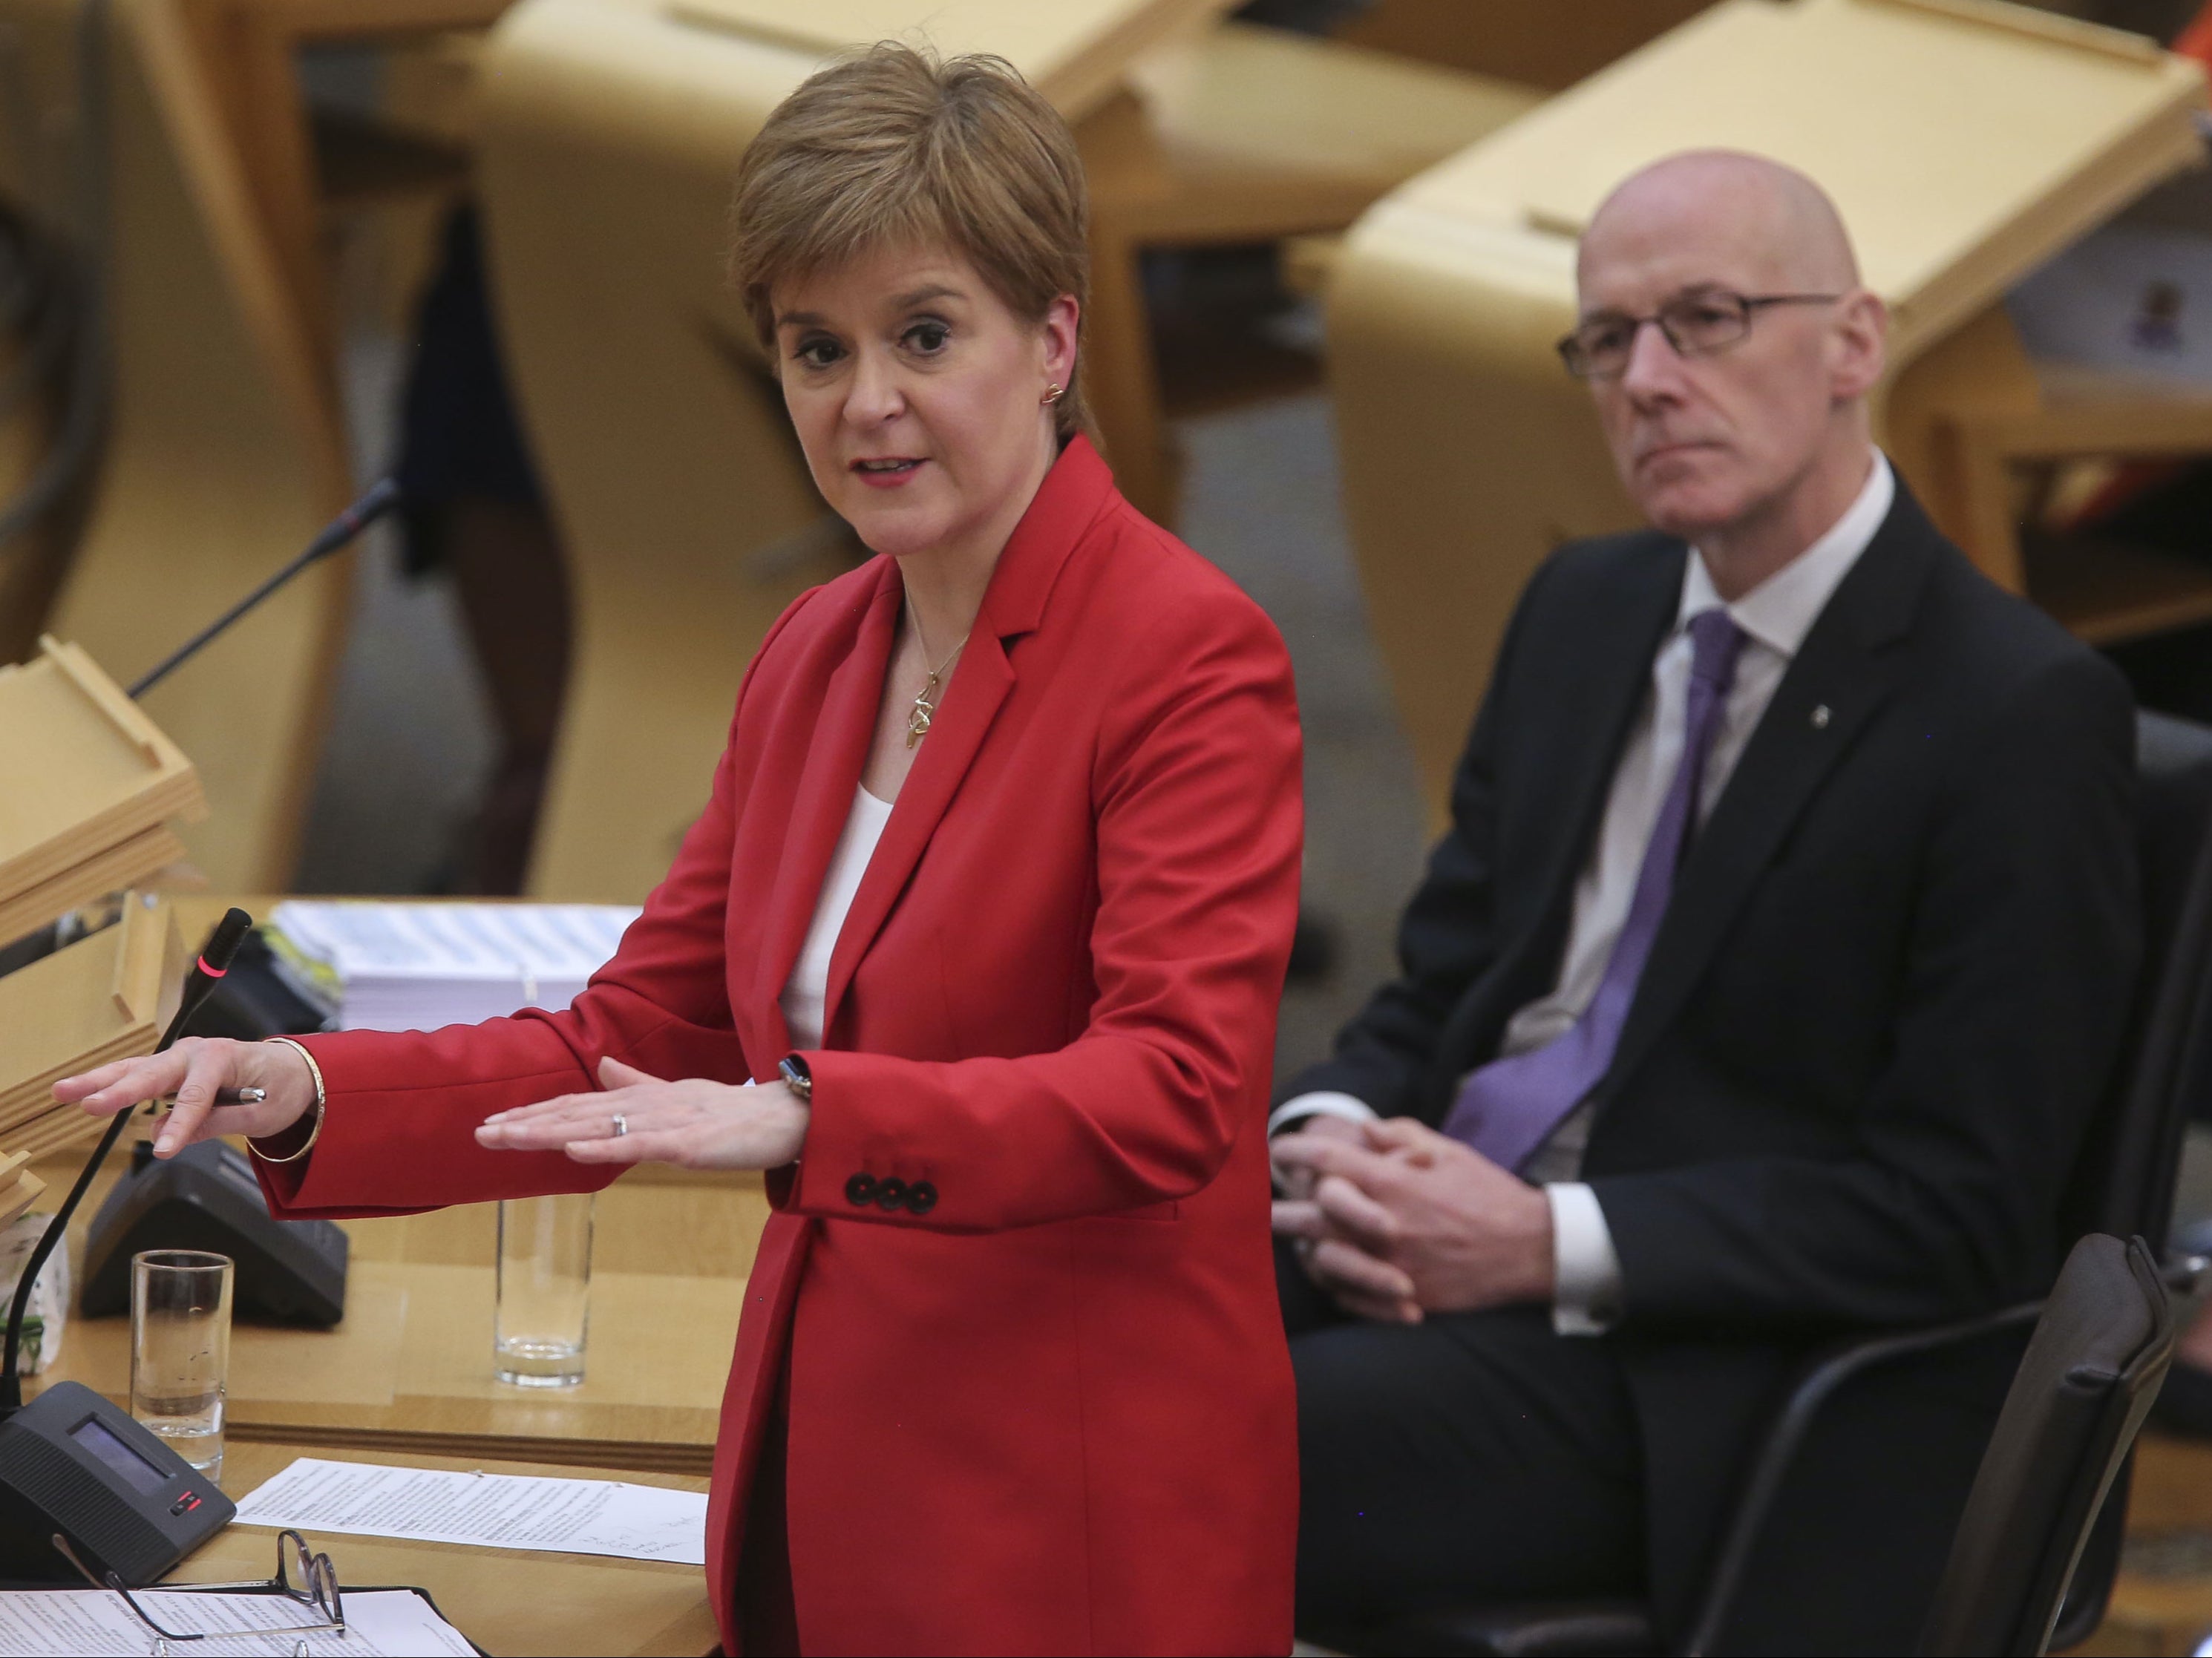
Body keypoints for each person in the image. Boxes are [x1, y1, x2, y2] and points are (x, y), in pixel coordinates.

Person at [60, 46, 1303, 1657]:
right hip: (813, 1476)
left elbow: (1170, 1089)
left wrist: (802, 1113)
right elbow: (623, 1040)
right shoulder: (816, 653)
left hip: (1056, 1528)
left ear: (1053, 338)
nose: (865, 401)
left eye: (924, 335)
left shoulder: (1186, 657)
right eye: (813, 348)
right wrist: (305, 1087)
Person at [1269, 150, 2140, 1652]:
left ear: (1853, 342)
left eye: (1707, 319)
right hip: (1436, 1236)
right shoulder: (1582, 609)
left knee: (1191, 1435)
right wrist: (1326, 1141)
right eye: (1606, 340)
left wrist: (1544, 1240)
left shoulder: (2012, 712)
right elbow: (1440, 984)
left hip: (1691, 1367)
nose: (1648, 379)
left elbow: (1961, 1211)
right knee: (1044, 1292)